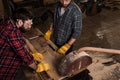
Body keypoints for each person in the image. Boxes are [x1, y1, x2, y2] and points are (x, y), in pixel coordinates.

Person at [0, 8, 50, 80]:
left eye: (31, 23)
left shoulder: (9, 21)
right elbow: (24, 56)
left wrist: (30, 54)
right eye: (28, 24)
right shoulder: (12, 33)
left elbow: (20, 39)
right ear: (20, 21)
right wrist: (37, 67)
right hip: (4, 65)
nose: (30, 27)